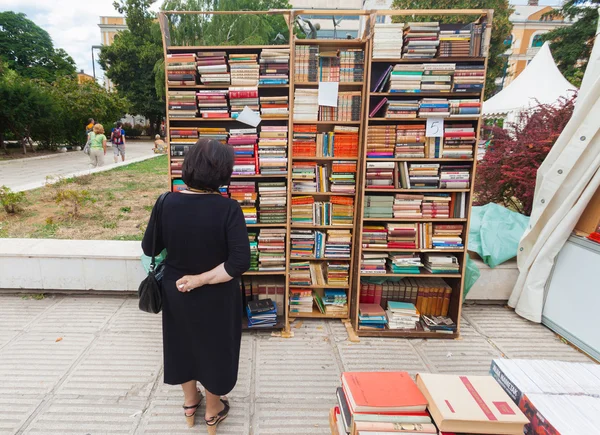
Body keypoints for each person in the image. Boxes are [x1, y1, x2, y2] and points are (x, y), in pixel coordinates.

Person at [141, 138, 250, 432]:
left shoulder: (166, 202)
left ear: (187, 167)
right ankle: (213, 409)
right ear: (224, 174)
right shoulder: (229, 210)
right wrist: (201, 279)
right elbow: (239, 262)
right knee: (216, 347)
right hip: (217, 294)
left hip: (176, 289)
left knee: (182, 343)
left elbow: (150, 247)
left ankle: (191, 403)